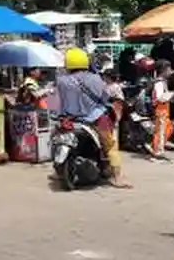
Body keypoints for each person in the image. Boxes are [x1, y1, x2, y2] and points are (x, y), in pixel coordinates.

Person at [56, 47, 130, 189]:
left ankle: (57, 169)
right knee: (110, 146)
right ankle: (117, 177)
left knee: (56, 137)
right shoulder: (96, 79)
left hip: (69, 119)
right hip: (95, 118)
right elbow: (104, 97)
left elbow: (59, 101)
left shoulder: (61, 81)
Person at [149, 59, 174, 159]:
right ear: (163, 70)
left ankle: (159, 149)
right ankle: (157, 152)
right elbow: (159, 97)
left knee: (165, 129)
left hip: (164, 109)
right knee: (160, 131)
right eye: (169, 69)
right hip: (161, 109)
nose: (170, 71)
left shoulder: (163, 82)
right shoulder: (159, 83)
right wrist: (170, 95)